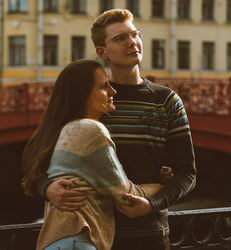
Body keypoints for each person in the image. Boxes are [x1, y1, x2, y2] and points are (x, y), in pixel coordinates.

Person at [34, 9, 196, 250]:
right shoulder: (93, 101)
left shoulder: (167, 101)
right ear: (102, 51)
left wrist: (152, 203)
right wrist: (47, 188)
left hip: (150, 233)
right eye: (121, 38)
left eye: (135, 34)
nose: (132, 42)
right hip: (96, 234)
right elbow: (37, 159)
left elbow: (187, 173)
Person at [21, 59, 172, 250]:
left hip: (59, 239)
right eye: (103, 86)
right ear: (82, 96)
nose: (113, 91)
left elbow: (32, 163)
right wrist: (161, 184)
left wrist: (45, 186)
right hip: (79, 239)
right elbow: (127, 196)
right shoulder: (91, 130)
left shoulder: (67, 129)